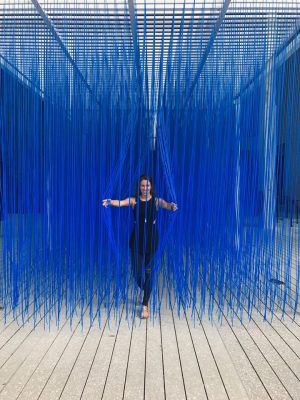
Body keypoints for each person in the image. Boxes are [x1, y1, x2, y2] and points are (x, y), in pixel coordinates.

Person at [102, 175, 177, 319]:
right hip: (136, 240)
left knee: (149, 273)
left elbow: (167, 205)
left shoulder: (156, 201)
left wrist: (172, 206)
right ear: (139, 187)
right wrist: (110, 202)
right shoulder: (134, 200)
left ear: (151, 187)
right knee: (136, 273)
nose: (145, 188)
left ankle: (145, 305)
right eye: (142, 186)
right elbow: (121, 202)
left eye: (147, 185)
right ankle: (146, 290)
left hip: (152, 241)